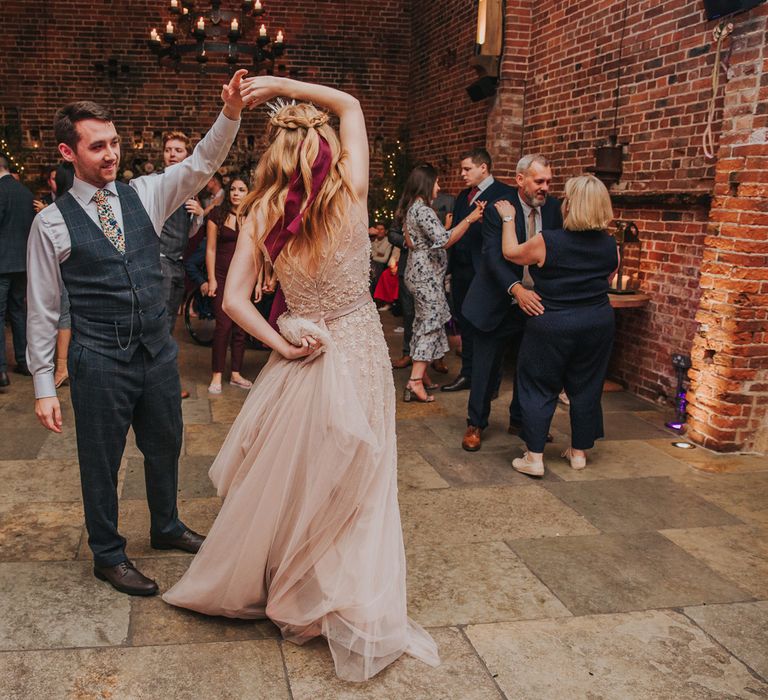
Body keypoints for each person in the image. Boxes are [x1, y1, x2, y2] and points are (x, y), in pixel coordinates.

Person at [163, 76, 439, 682]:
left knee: (293, 474)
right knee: (357, 477)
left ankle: (289, 581)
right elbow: (352, 105)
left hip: (305, 352)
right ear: (326, 149)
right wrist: (282, 88)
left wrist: (280, 343)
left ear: (276, 156)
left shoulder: (260, 211)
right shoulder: (354, 194)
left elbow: (235, 301)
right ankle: (323, 589)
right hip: (360, 348)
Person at [25, 70, 247, 596]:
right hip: (98, 359)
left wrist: (230, 113)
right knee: (100, 460)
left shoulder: (146, 194)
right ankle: (107, 553)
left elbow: (200, 163)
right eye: (97, 146)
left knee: (166, 443)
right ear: (68, 151)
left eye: (115, 143)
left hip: (155, 351)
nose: (110, 154)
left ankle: (166, 525)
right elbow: (42, 307)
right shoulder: (50, 224)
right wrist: (41, 383)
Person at [496, 174, 618, 476]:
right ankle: (579, 453)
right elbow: (610, 278)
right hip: (597, 322)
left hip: (552, 323)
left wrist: (509, 218)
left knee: (538, 384)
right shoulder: (610, 245)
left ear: (572, 205)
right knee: (587, 385)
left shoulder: (548, 241)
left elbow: (511, 253)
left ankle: (534, 457)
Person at [461, 154, 562, 451]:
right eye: (539, 181)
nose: (545, 187)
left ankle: (521, 421)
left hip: (536, 302)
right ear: (520, 180)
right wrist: (516, 289)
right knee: (485, 366)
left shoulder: (554, 210)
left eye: (548, 182)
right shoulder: (498, 209)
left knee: (529, 367)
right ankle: (475, 423)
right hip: (498, 299)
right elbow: (491, 257)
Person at [398, 164, 485, 403]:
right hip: (425, 277)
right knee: (431, 323)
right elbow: (444, 240)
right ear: (426, 184)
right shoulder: (423, 210)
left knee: (421, 322)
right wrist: (470, 219)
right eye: (436, 182)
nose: (439, 187)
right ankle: (415, 381)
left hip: (418, 273)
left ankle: (422, 373)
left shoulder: (412, 209)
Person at [441, 149, 514, 393]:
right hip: (462, 270)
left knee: (488, 327)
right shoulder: (464, 196)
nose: (462, 174)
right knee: (466, 323)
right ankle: (468, 374)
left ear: (483, 168)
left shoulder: (505, 194)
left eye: (467, 169)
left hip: (486, 270)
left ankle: (491, 382)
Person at [205, 176, 253, 393]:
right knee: (223, 326)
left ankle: (235, 373)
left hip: (243, 278)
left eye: (241, 189)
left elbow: (257, 252)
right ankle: (216, 375)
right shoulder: (217, 214)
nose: (236, 193)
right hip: (222, 277)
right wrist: (212, 278)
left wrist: (259, 281)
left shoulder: (252, 217)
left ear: (248, 193)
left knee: (241, 327)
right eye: (232, 189)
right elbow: (211, 249)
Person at [159, 131, 206, 338]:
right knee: (160, 317)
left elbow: (190, 230)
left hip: (177, 261)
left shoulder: (189, 187)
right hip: (161, 259)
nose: (172, 154)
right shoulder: (157, 183)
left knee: (170, 318)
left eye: (178, 150)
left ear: (187, 155)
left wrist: (199, 214)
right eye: (168, 150)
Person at [0, 155, 35, 387]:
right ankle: (24, 362)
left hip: (1, 265)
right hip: (22, 263)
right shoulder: (26, 193)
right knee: (19, 313)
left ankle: (1, 370)